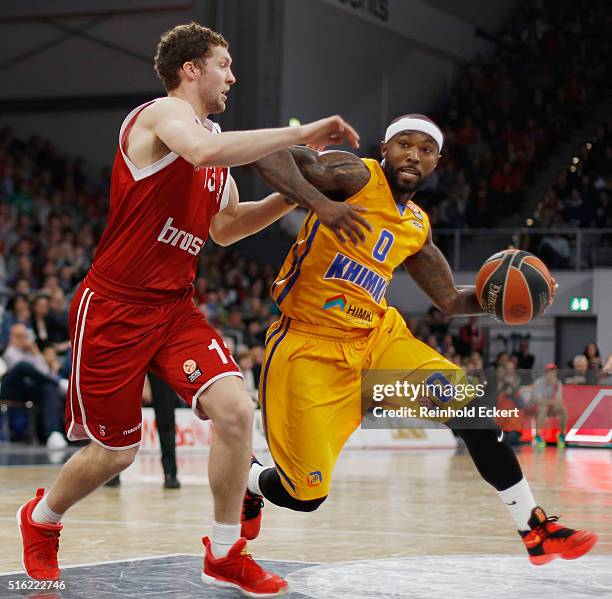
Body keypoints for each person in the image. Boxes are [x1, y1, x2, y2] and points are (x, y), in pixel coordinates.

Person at [17, 22, 368, 596]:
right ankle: (42, 520)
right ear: (191, 69)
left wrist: (299, 194)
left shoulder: (214, 143)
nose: (232, 76)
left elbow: (226, 228)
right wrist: (297, 134)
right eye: (224, 65)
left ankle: (225, 553)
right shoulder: (158, 117)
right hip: (114, 307)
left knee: (234, 410)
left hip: (175, 308)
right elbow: (202, 149)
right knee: (115, 453)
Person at [243, 114, 597, 568]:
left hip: (377, 344)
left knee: (472, 411)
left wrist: (507, 303)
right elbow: (264, 152)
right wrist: (321, 204)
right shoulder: (352, 175)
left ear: (436, 162)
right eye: (405, 144)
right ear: (385, 149)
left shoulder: (415, 225)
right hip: (308, 347)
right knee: (304, 495)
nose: (414, 154)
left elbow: (450, 300)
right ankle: (250, 481)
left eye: (425, 149)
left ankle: (534, 529)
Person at [1, 324, 67, 449]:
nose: (22, 339)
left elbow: (43, 371)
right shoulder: (9, 351)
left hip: (28, 388)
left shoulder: (31, 352)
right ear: (12, 337)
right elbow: (17, 367)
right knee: (22, 366)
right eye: (19, 337)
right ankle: (58, 382)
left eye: (24, 336)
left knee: (48, 388)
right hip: (10, 389)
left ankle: (53, 433)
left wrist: (36, 353)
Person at [531, 363, 567, 449]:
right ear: (545, 373)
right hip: (537, 408)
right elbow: (538, 401)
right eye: (550, 372)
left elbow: (559, 401)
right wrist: (551, 402)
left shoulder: (558, 383)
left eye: (554, 372)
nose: (552, 374)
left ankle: (561, 436)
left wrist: (548, 401)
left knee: (562, 409)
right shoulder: (538, 383)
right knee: (543, 409)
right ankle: (538, 437)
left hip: (550, 407)